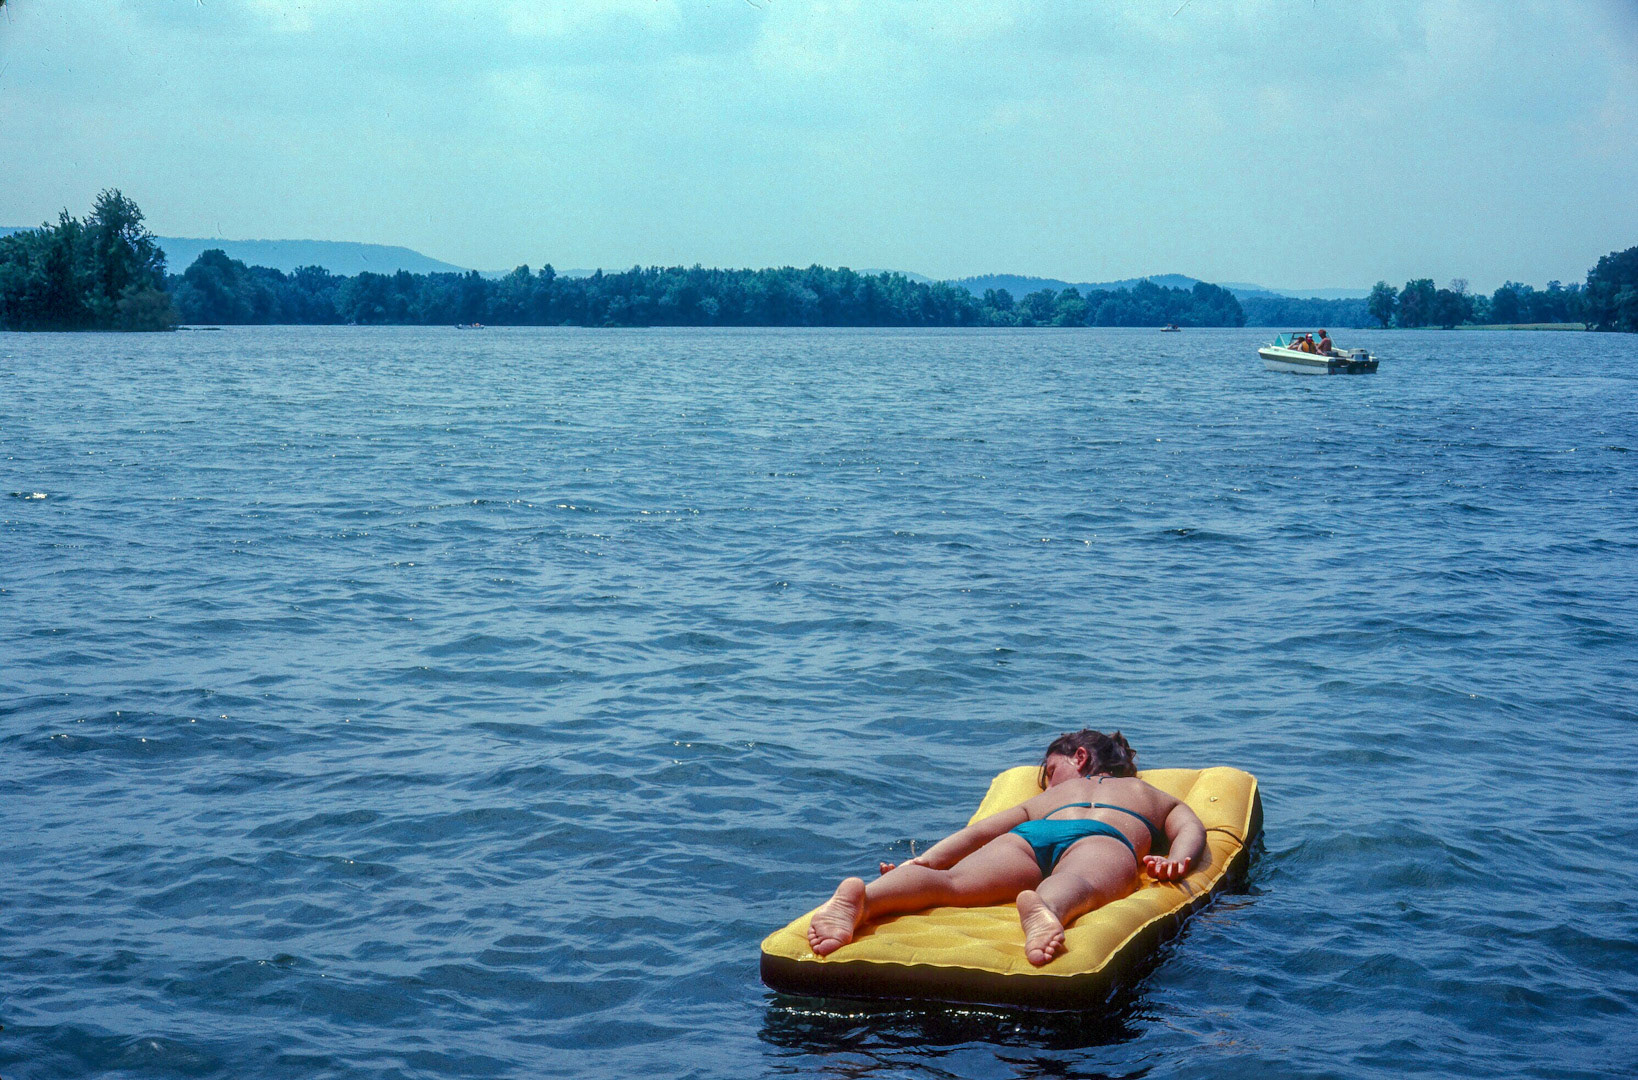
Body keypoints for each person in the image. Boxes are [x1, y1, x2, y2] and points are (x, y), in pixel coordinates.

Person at [806, 730, 1207, 967]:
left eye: (1050, 770)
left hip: (1032, 834)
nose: (1047, 782)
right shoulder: (1142, 791)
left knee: (950, 882)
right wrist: (1177, 859)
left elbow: (980, 832)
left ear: (1079, 757)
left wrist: (923, 862)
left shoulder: (1053, 797)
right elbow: (1187, 822)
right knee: (1080, 881)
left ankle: (866, 901)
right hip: (1105, 837)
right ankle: (1046, 911)